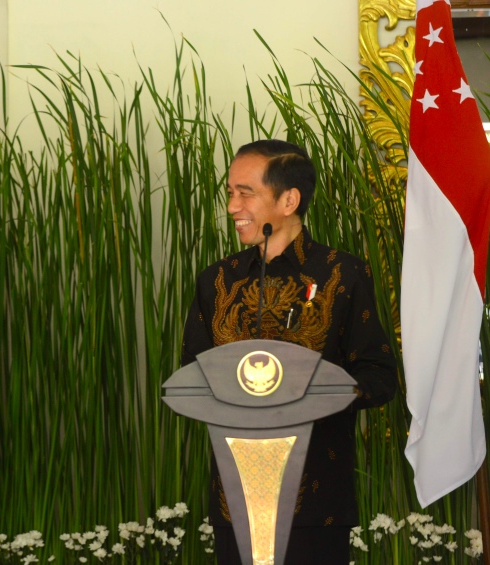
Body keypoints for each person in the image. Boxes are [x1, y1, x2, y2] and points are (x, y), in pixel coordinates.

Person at [181, 139, 397, 564]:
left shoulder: (343, 274)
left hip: (316, 503)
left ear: (289, 200)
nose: (232, 206)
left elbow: (379, 376)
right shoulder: (216, 281)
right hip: (235, 501)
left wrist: (317, 393)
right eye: (230, 193)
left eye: (246, 193)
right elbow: (192, 376)